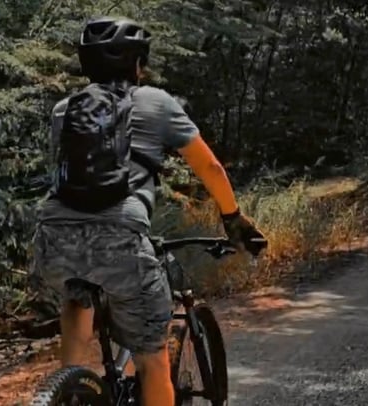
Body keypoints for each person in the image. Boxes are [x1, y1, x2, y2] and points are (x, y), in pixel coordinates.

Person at [31, 17, 266, 406]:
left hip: (53, 237)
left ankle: (68, 388)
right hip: (120, 237)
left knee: (77, 294)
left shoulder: (64, 109)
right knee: (153, 358)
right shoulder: (157, 103)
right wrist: (233, 218)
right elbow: (210, 168)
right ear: (137, 64)